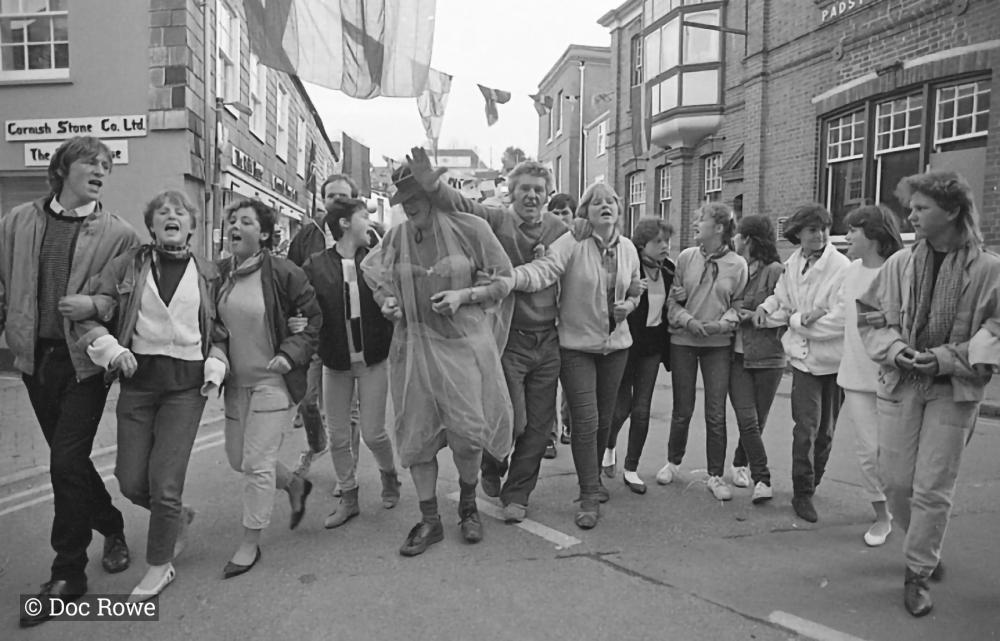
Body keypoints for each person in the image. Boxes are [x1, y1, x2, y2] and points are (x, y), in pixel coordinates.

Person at [2, 136, 141, 628]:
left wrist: (95, 306)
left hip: (86, 360)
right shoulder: (18, 221)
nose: (101, 169)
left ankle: (69, 573)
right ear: (62, 168)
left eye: (107, 164)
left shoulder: (120, 234)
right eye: (91, 162)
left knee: (63, 461)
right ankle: (112, 525)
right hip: (35, 360)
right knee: (72, 462)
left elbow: (124, 302)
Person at [72, 190, 229, 601]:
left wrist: (216, 364)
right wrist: (112, 351)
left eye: (180, 212)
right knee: (129, 481)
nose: (171, 216)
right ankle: (176, 517)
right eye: (163, 212)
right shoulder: (128, 265)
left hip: (186, 389)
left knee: (164, 484)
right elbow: (90, 314)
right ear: (152, 225)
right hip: (138, 383)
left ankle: (159, 567)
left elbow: (222, 332)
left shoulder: (210, 273)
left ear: (192, 226)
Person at [858, 171, 1000, 617]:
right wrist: (897, 351)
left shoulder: (990, 270)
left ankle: (917, 572)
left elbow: (994, 331)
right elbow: (871, 317)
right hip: (902, 382)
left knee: (933, 486)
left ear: (953, 211)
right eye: (911, 207)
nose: (911, 215)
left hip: (953, 391)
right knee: (896, 480)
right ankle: (924, 545)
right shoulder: (900, 264)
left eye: (921, 208)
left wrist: (943, 359)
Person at [406, 147, 567, 524]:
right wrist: (433, 186)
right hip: (506, 338)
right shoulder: (495, 220)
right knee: (512, 420)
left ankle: (518, 494)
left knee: (540, 426)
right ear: (511, 191)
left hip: (549, 339)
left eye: (539, 189)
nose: (531, 195)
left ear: (547, 194)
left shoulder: (560, 230)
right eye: (524, 188)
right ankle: (492, 465)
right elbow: (459, 203)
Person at [362, 164, 515, 556]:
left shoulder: (470, 229)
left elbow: (503, 278)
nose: (409, 205)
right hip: (412, 349)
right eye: (403, 199)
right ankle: (430, 520)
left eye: (416, 196)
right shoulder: (396, 236)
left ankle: (467, 504)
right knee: (417, 437)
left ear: (433, 194)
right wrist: (388, 303)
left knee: (467, 435)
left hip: (462, 348)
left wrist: (464, 297)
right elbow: (376, 276)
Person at [509, 182, 642, 529]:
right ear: (585, 212)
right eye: (595, 202)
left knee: (605, 418)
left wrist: (628, 304)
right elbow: (544, 271)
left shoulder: (628, 248)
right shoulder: (573, 242)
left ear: (618, 208)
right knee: (585, 420)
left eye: (610, 201)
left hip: (616, 347)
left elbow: (636, 290)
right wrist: (511, 278)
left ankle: (594, 480)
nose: (604, 206)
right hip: (575, 346)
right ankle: (587, 497)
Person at [216, 198, 321, 578]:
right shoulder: (222, 274)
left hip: (273, 383)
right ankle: (295, 484)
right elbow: (214, 324)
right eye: (232, 220)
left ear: (262, 234)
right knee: (237, 459)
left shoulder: (283, 272)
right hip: (234, 384)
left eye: (245, 221)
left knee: (257, 465)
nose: (236, 225)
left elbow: (312, 322)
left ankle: (249, 544)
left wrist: (290, 354)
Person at [301, 197, 401, 529]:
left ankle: (389, 476)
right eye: (363, 216)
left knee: (373, 433)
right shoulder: (315, 266)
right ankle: (349, 496)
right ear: (345, 223)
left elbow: (394, 295)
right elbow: (302, 307)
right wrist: (298, 325)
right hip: (336, 364)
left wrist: (392, 305)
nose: (369, 222)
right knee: (339, 436)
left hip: (373, 360)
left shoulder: (375, 262)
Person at [754, 204, 849, 523]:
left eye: (823, 228)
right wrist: (767, 310)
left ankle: (815, 479)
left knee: (826, 432)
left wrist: (796, 320)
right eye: (812, 230)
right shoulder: (792, 265)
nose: (819, 235)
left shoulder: (842, 267)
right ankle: (803, 492)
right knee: (805, 429)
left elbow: (840, 320)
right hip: (804, 363)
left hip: (834, 363)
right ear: (798, 234)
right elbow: (782, 300)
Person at [658, 203, 747, 502]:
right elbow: (672, 302)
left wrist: (722, 325)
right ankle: (672, 462)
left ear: (719, 228)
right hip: (683, 340)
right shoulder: (685, 258)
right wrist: (689, 321)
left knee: (715, 412)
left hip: (717, 346)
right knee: (682, 409)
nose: (695, 223)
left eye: (701, 219)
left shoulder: (738, 265)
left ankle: (715, 475)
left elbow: (739, 306)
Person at [838, 205, 903, 547]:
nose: (846, 236)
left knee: (897, 455)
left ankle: (908, 513)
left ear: (874, 235)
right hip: (855, 376)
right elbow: (836, 315)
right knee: (868, 451)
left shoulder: (900, 271)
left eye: (854, 230)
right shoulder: (848, 273)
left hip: (897, 377)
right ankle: (882, 515)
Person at [289, 174, 362, 483]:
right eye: (331, 195)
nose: (335, 201)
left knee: (350, 412)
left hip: (351, 336)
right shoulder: (307, 235)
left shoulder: (364, 234)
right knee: (306, 400)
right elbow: (290, 278)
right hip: (315, 335)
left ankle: (349, 474)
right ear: (323, 200)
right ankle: (317, 443)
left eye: (343, 196)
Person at [605, 217, 675, 494]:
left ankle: (631, 468)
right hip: (626, 345)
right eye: (658, 241)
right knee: (621, 407)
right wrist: (632, 293)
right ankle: (609, 447)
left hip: (652, 348)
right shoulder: (629, 266)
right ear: (642, 243)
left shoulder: (669, 271)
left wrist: (678, 297)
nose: (664, 247)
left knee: (642, 408)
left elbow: (671, 306)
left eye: (667, 241)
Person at [727, 215, 784, 504]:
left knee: (756, 422)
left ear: (747, 239)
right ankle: (763, 479)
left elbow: (784, 311)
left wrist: (756, 318)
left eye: (738, 235)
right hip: (735, 357)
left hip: (769, 357)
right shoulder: (735, 269)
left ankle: (740, 463)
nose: (734, 240)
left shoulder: (775, 271)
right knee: (747, 419)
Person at [547, 193, 579, 449]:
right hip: (546, 320)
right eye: (555, 213)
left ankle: (568, 423)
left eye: (564, 213)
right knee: (546, 382)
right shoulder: (543, 243)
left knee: (570, 381)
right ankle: (549, 435)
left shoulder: (580, 244)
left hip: (572, 321)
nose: (559, 218)